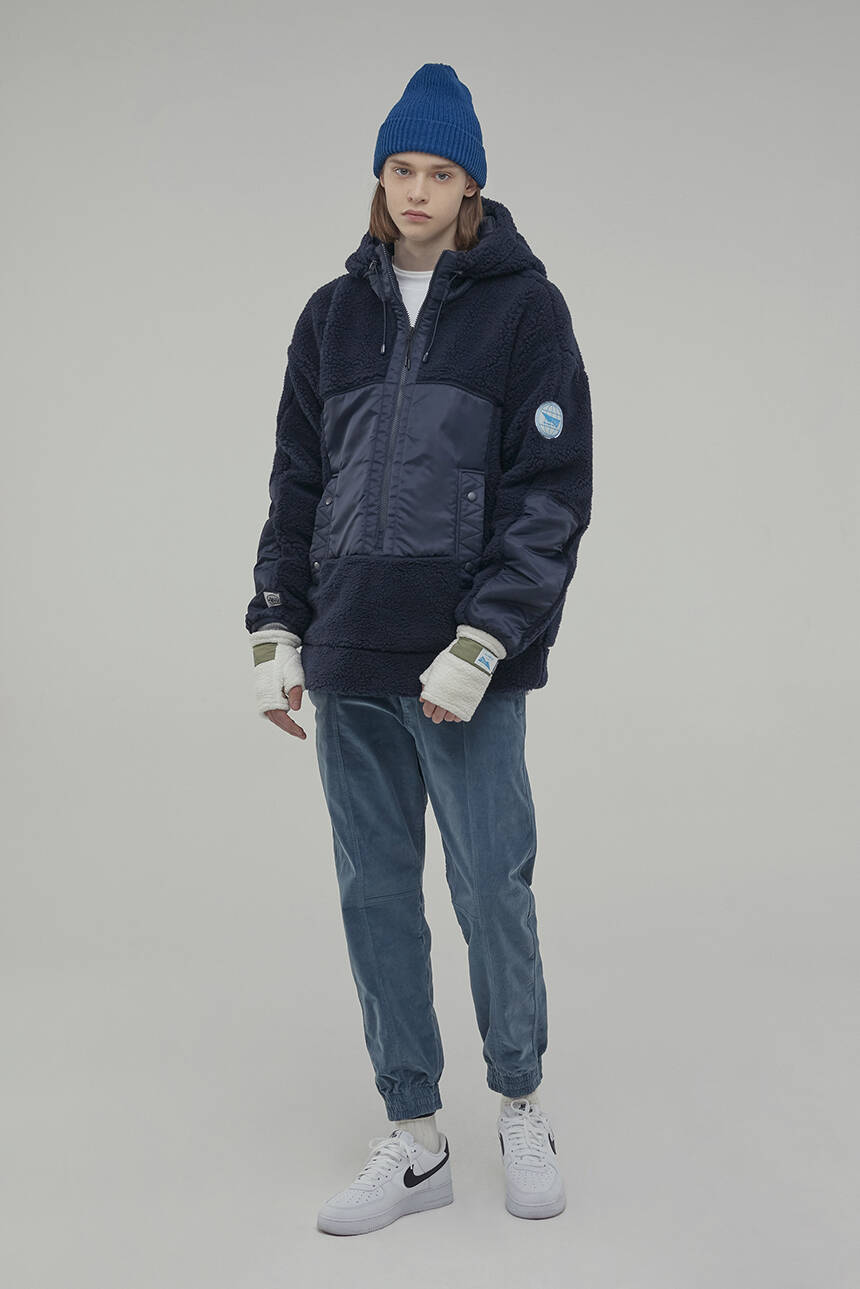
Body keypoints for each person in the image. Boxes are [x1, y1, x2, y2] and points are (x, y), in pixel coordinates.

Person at [245, 63, 593, 1234]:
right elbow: (298, 482)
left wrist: (484, 638)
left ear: (470, 187)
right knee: (376, 893)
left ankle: (519, 1104)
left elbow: (549, 494)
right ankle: (414, 1135)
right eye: (401, 168)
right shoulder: (330, 315)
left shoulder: (523, 311)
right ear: (379, 177)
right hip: (349, 654)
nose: (416, 190)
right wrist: (274, 620)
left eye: (439, 172)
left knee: (491, 883)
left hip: (461, 667)